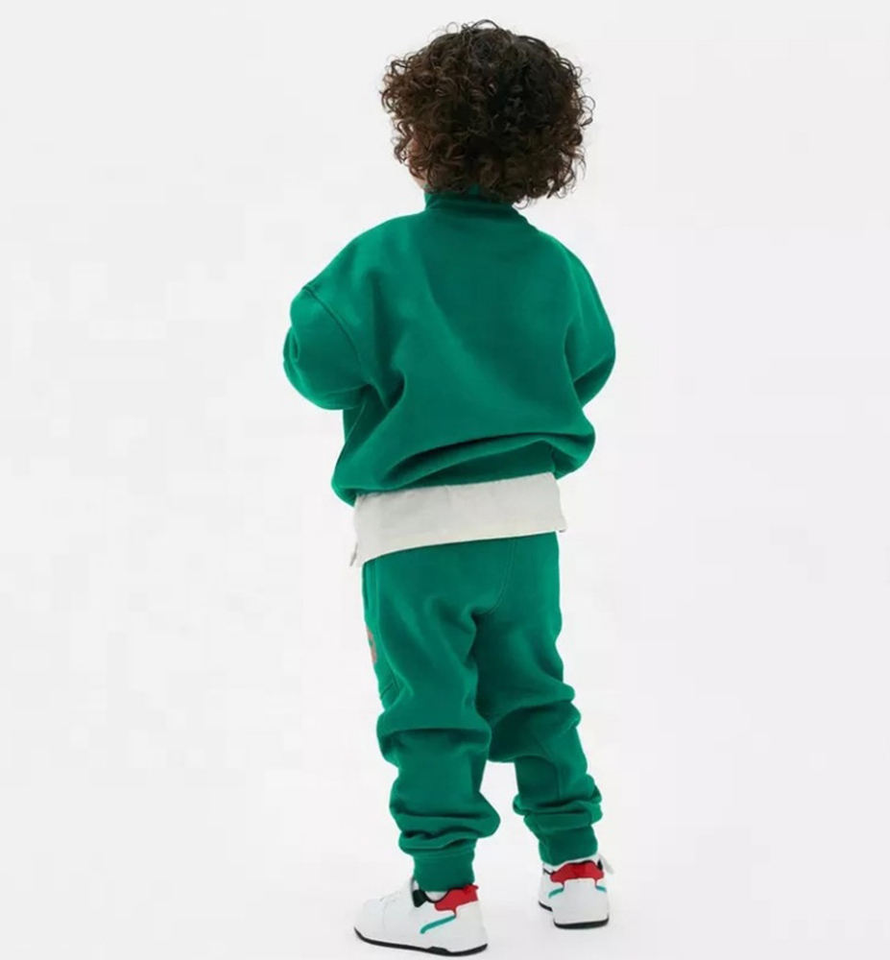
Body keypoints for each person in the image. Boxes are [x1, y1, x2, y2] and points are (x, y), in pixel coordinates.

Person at [283, 19, 616, 955]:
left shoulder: (382, 259)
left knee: (430, 708)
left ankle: (443, 894)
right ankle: (577, 868)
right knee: (537, 692)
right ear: (545, 150)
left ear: (419, 132)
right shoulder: (555, 267)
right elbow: (588, 364)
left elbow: (314, 364)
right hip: (526, 529)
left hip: (414, 537)